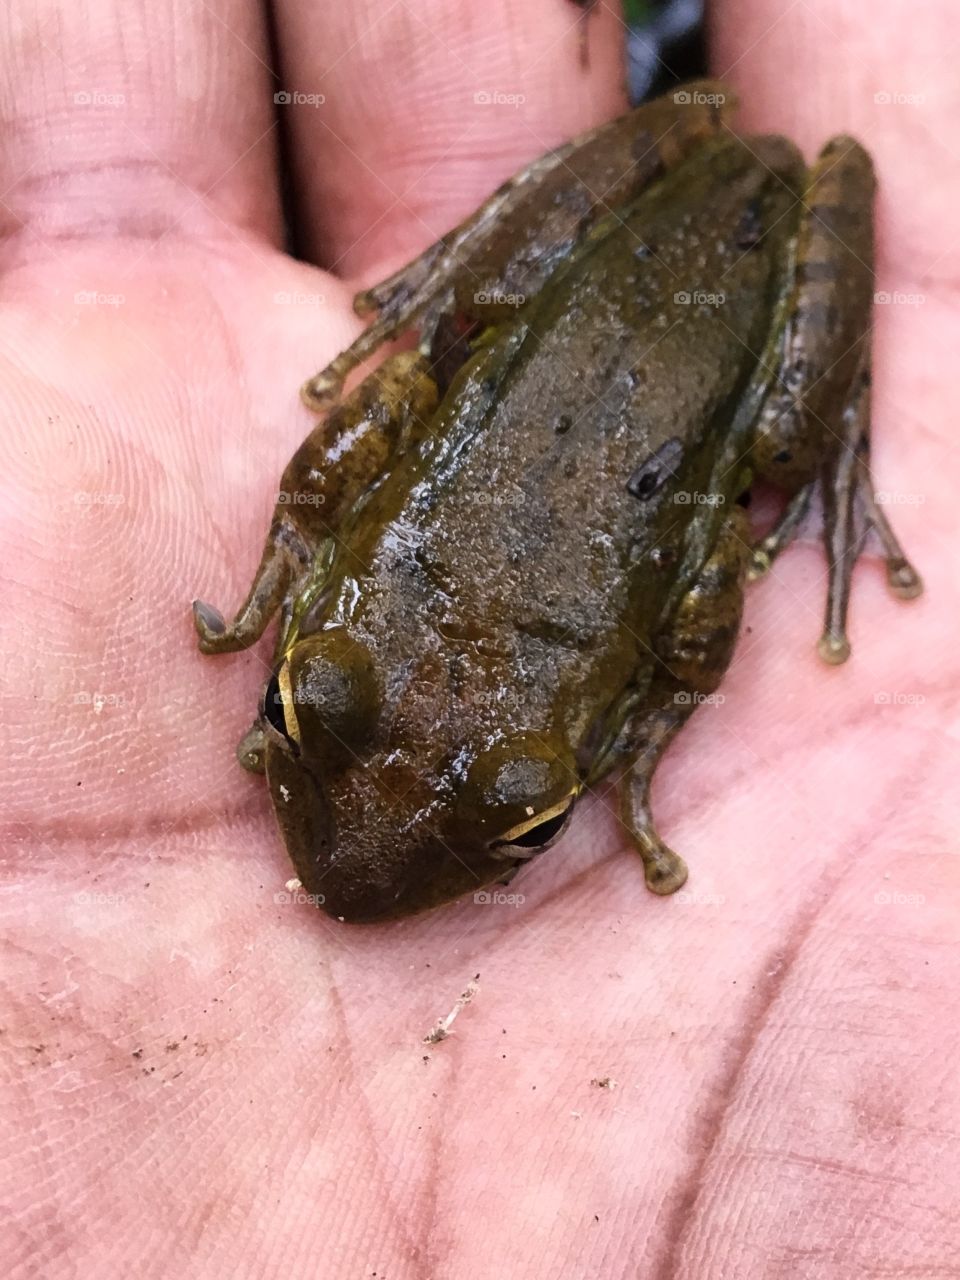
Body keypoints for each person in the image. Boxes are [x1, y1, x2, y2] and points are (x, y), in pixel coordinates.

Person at [2, 1, 955, 1275]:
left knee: (779, 435)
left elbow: (703, 577)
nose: (360, 852)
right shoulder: (414, 642)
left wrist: (655, 716)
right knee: (465, 328)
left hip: (717, 303)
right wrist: (302, 519)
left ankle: (826, 432)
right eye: (307, 698)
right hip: (596, 318)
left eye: (530, 809)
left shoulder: (636, 639)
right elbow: (401, 400)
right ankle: (538, 241)